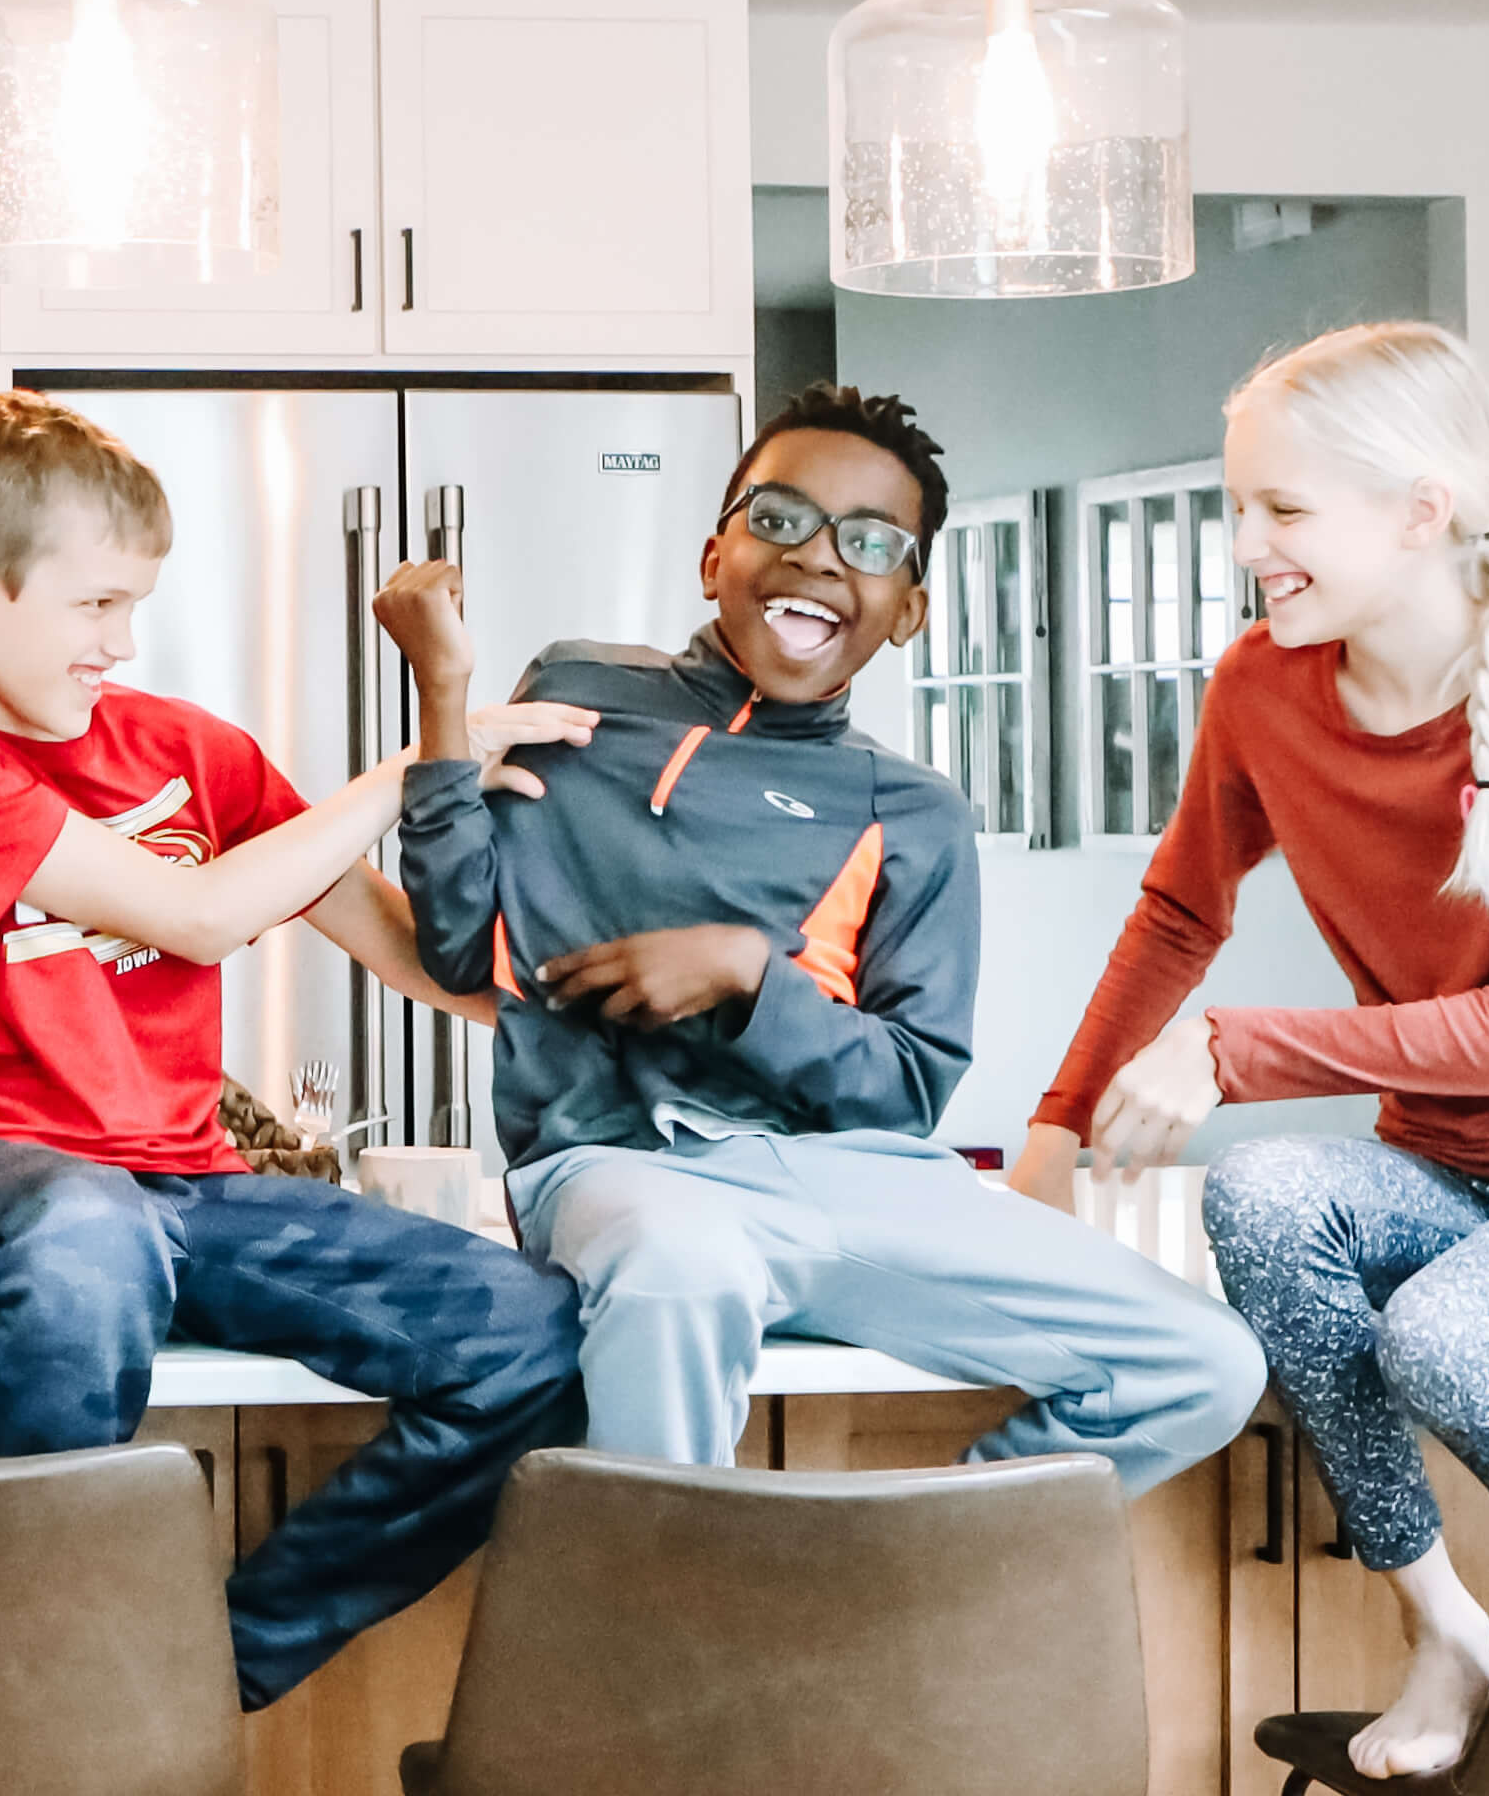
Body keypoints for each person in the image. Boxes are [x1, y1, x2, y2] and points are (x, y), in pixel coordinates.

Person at [1027, 319, 1489, 1782]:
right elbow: (1180, 910)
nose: (1246, 543)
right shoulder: (1258, 688)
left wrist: (1239, 1052)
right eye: (1243, 508)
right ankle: (1445, 1626)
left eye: (1282, 509)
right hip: (1445, 1168)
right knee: (1267, 1194)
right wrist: (1051, 1135)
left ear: (1419, 510)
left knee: (1439, 1330)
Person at [0, 390, 606, 1706]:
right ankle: (35, 1680)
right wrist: (418, 757)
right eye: (94, 605)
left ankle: (208, 1663)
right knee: (89, 1243)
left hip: (186, 1187)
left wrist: (592, 991)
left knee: (528, 1332)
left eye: (136, 605)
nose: (121, 642)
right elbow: (196, 909)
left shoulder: (194, 754)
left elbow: (410, 952)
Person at [378, 380, 1265, 1490]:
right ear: (714, 558)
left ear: (908, 610)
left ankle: (882, 1592)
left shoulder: (914, 811)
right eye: (780, 519)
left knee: (1203, 1362)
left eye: (869, 541)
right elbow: (461, 946)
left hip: (861, 1180)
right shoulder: (575, 697)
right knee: (680, 1270)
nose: (817, 557)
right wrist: (443, 700)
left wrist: (749, 980)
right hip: (621, 1165)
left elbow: (908, 1089)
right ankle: (653, 1654)